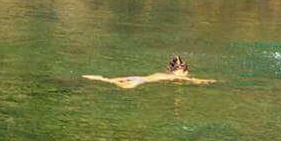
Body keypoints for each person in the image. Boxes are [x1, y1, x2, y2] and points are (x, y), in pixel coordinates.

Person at [84, 55, 214, 91]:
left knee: (111, 80)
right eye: (186, 71)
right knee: (123, 87)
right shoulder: (173, 77)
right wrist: (208, 81)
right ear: (181, 71)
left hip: (138, 77)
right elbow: (192, 80)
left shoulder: (165, 74)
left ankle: (99, 78)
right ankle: (100, 82)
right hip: (140, 80)